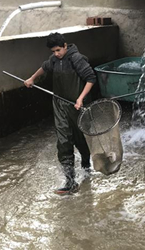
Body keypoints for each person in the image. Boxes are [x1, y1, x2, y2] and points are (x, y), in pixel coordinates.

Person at [24, 32, 96, 194]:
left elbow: (91, 78)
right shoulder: (54, 60)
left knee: (81, 139)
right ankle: (71, 182)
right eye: (53, 52)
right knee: (63, 141)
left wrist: (80, 99)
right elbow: (44, 67)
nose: (56, 54)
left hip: (76, 107)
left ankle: (86, 165)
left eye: (58, 50)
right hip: (59, 105)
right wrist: (32, 78)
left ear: (65, 46)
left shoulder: (77, 59)